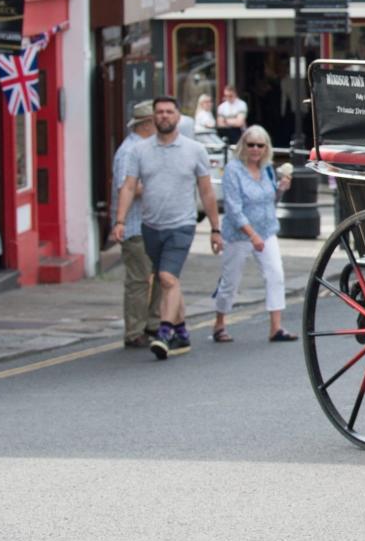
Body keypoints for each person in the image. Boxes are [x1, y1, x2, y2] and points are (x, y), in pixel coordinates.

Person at [112, 96, 223, 360]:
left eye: (169, 112)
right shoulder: (139, 151)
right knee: (168, 280)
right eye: (159, 112)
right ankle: (182, 330)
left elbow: (206, 191)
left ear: (177, 117)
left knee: (167, 279)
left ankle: (165, 332)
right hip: (150, 226)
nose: (164, 116)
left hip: (182, 225)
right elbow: (127, 186)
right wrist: (120, 221)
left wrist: (215, 229)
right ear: (152, 117)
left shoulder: (194, 150)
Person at [211, 125, 296, 343]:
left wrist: (281, 189)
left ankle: (275, 327)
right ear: (243, 146)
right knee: (231, 280)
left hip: (267, 230)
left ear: (266, 147)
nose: (255, 149)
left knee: (276, 274)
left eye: (260, 145)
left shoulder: (267, 168)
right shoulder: (233, 170)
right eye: (251, 145)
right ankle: (220, 323)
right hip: (239, 235)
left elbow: (270, 202)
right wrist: (252, 235)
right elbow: (233, 208)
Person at [111, 101, 162, 348]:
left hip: (152, 224)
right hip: (134, 226)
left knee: (159, 277)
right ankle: (134, 331)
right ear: (147, 124)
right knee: (139, 281)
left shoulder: (147, 148)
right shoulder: (130, 151)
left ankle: (152, 324)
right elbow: (126, 187)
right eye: (156, 120)